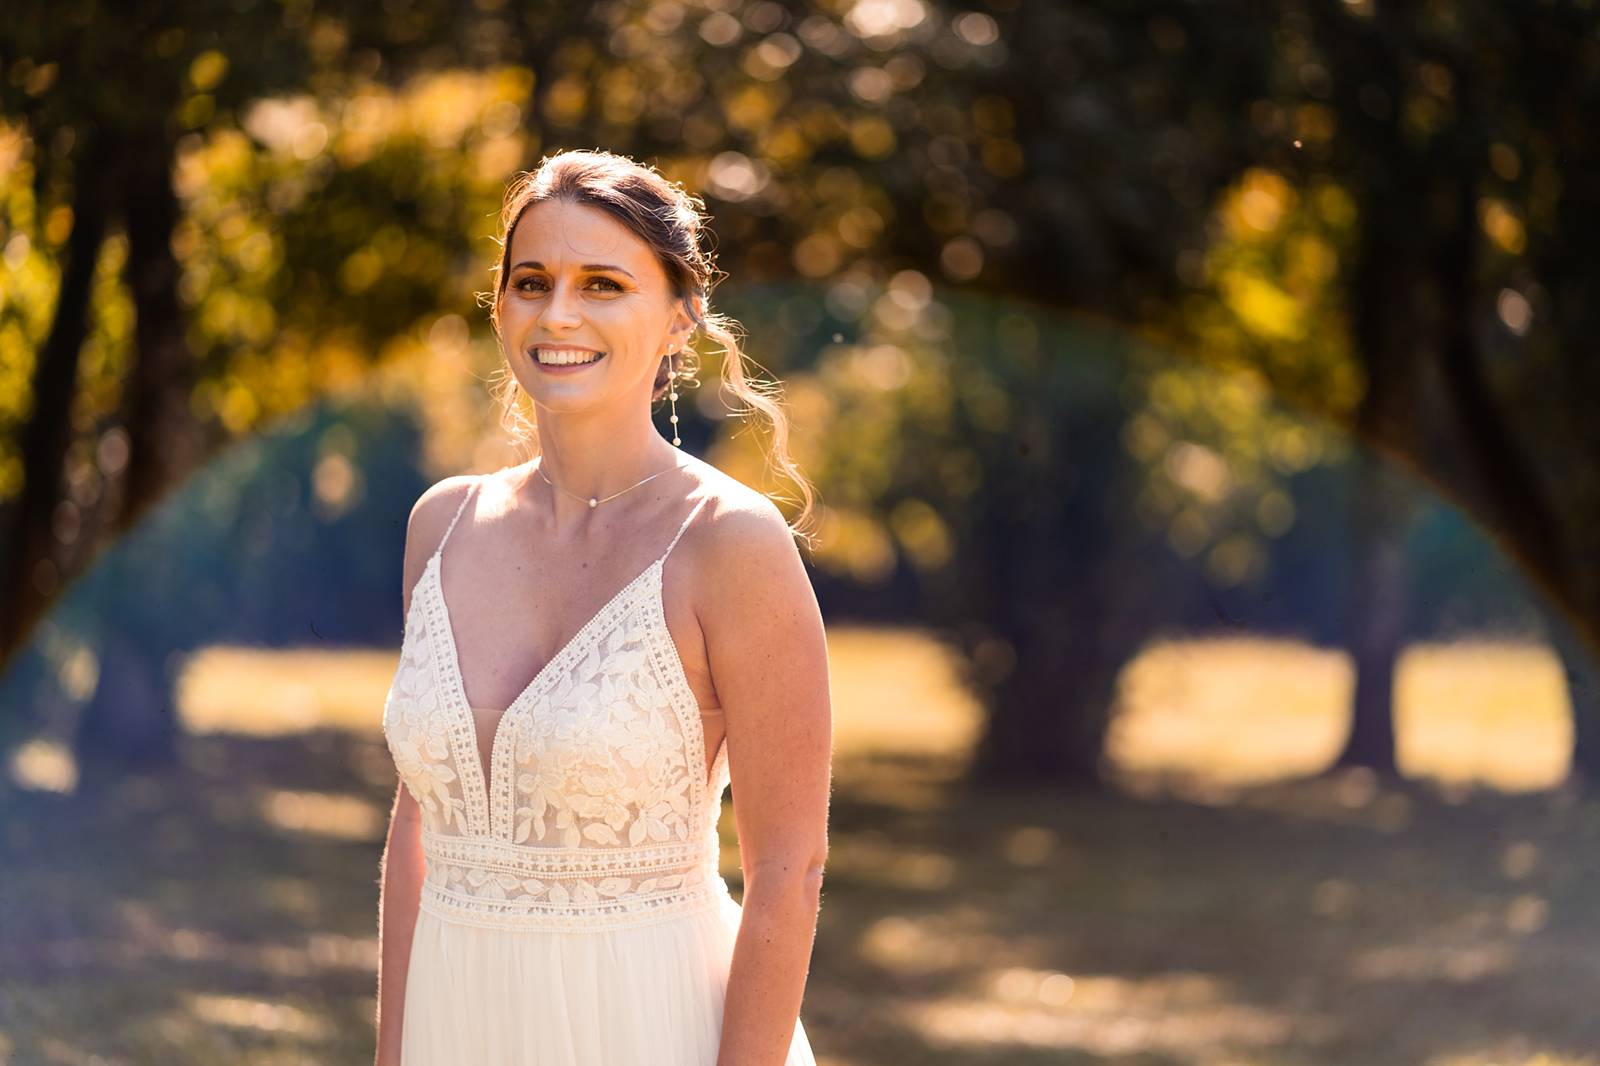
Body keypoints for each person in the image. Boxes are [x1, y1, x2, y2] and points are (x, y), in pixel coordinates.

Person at [372, 149, 831, 1065]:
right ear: (499, 307)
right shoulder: (442, 524)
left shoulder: (728, 544)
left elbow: (788, 872)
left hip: (649, 1021)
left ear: (678, 319)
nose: (560, 314)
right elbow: (416, 825)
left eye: (605, 284)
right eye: (532, 281)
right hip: (456, 1026)